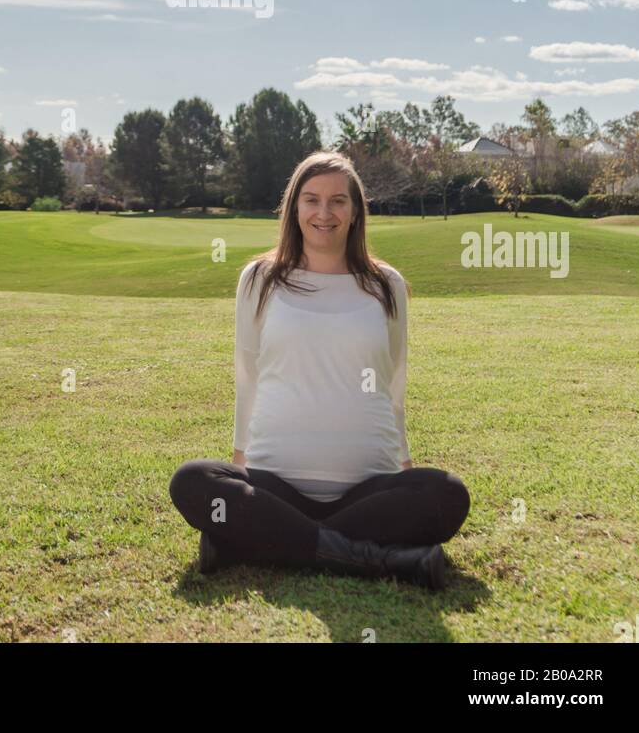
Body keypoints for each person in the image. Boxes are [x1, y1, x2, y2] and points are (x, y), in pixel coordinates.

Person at [169, 150, 470, 587]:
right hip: (275, 484)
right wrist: (238, 461)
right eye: (311, 199)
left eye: (338, 201)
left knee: (447, 494)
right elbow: (246, 373)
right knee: (192, 481)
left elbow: (395, 380)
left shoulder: (387, 285)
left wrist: (406, 467)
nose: (324, 213)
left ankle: (248, 542)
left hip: (368, 485)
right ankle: (380, 558)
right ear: (294, 208)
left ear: (355, 211)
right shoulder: (260, 278)